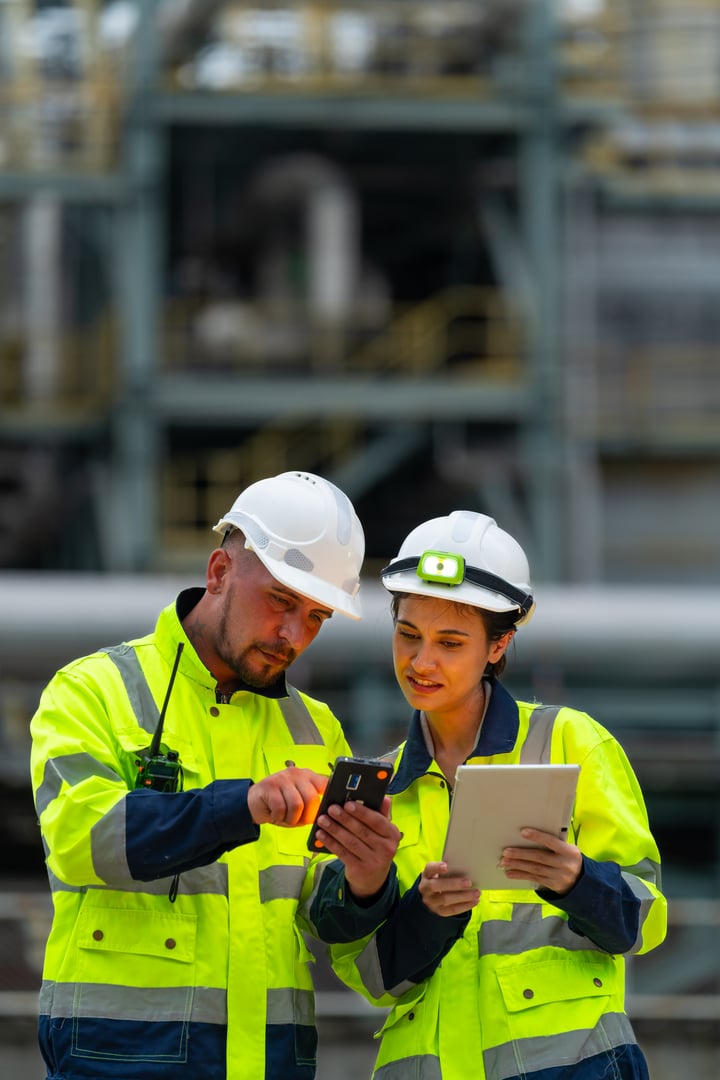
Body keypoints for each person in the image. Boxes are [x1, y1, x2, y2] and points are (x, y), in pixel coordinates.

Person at [29, 470, 399, 1080]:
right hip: (120, 1059)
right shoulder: (93, 690)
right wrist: (242, 805)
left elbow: (319, 915)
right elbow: (78, 839)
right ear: (220, 573)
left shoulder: (315, 729)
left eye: (316, 616)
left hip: (271, 1061)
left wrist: (365, 882)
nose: (293, 635)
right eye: (281, 601)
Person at [307, 510, 667, 1080]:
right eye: (408, 635)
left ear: (499, 645)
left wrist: (575, 880)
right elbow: (374, 981)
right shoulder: (377, 788)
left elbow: (644, 922)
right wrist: (410, 905)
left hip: (571, 1067)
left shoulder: (570, 741)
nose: (421, 662)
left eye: (450, 642)